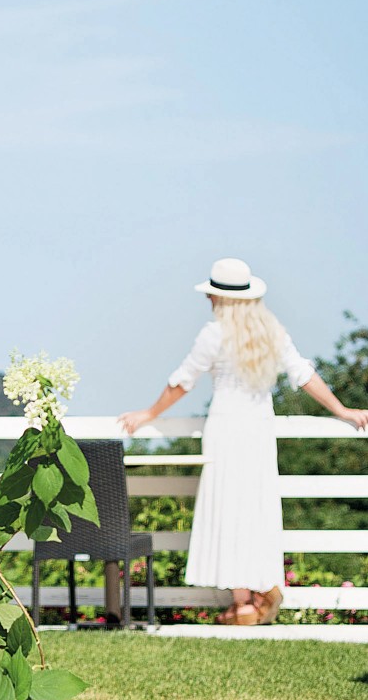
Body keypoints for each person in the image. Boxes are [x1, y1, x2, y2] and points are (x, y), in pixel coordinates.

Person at [117, 258, 368, 626]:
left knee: (227, 509)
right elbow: (303, 374)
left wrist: (149, 414)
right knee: (256, 508)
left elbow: (181, 382)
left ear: (218, 298)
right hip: (258, 430)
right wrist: (341, 409)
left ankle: (244, 603)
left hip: (225, 430)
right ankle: (259, 589)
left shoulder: (213, 334)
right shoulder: (271, 332)